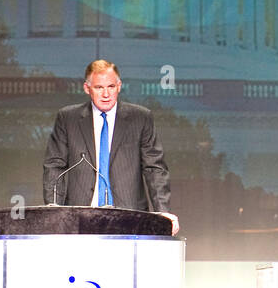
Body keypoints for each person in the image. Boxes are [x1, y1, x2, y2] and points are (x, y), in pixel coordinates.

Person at [42, 59, 179, 235]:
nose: (106, 94)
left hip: (130, 217)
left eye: (111, 87)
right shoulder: (68, 118)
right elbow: (55, 166)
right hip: (79, 219)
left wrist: (162, 210)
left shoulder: (140, 118)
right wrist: (54, 210)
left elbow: (154, 168)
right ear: (87, 88)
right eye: (99, 87)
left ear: (119, 86)